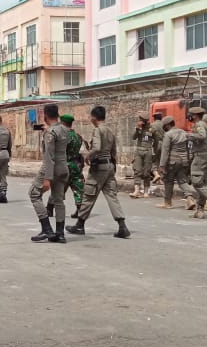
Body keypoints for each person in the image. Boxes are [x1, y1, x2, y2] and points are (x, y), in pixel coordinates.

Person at [67, 105, 130, 239]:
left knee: (89, 195)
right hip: (109, 166)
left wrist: (87, 156)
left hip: (99, 167)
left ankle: (80, 224)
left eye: (90, 116)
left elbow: (96, 148)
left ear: (94, 117)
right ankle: (122, 225)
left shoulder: (98, 131)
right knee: (111, 196)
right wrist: (113, 165)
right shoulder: (109, 130)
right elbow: (113, 151)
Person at [29, 103, 69, 243]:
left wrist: (47, 178)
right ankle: (60, 233)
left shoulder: (50, 133)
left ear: (45, 116)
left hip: (51, 168)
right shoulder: (64, 129)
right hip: (64, 167)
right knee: (59, 200)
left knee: (34, 193)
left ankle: (46, 228)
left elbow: (49, 156)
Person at [186, 107, 207, 219]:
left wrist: (189, 135)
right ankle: (200, 210)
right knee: (202, 183)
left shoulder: (199, 124)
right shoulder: (203, 124)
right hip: (205, 156)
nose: (189, 116)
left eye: (190, 114)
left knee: (196, 182)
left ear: (195, 115)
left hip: (200, 157)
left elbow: (202, 135)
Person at [157, 115, 196, 209]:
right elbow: (189, 148)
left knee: (168, 181)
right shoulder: (183, 132)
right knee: (182, 181)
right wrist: (188, 161)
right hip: (183, 161)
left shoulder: (168, 135)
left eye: (164, 126)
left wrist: (162, 165)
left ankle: (168, 202)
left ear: (168, 125)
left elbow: (165, 150)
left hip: (172, 162)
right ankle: (190, 198)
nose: (164, 128)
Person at [129, 115, 155, 198]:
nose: (142, 122)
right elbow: (133, 137)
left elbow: (157, 140)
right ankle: (136, 190)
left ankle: (146, 191)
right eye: (141, 120)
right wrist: (137, 129)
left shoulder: (151, 128)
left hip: (148, 150)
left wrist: (155, 152)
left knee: (147, 172)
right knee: (137, 170)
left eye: (144, 120)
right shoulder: (138, 127)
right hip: (139, 151)